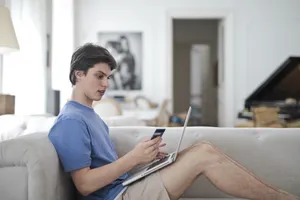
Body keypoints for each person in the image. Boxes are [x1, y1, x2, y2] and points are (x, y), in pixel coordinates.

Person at [48, 43, 299, 200]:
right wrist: (133, 158)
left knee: (203, 149)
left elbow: (110, 170)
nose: (106, 84)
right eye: (99, 76)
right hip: (118, 196)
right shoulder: (71, 121)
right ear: (78, 74)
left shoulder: (89, 115)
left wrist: (145, 163)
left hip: (123, 187)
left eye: (108, 77)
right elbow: (85, 185)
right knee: (204, 155)